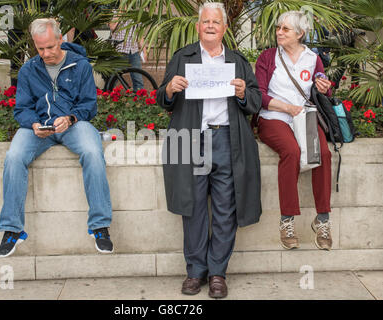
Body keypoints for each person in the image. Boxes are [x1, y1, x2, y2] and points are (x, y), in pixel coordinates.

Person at [157, 2, 262, 299]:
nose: (211, 26)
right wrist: (169, 89)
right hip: (191, 140)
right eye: (206, 22)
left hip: (228, 141)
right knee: (193, 209)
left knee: (226, 208)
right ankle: (195, 272)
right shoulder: (183, 57)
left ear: (225, 28)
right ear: (198, 26)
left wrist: (243, 93)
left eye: (216, 22)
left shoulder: (237, 61)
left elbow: (256, 101)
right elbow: (161, 99)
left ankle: (217, 273)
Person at [0, 18, 114, 258]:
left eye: (51, 46)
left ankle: (100, 226)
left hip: (74, 125)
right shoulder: (29, 69)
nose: (47, 53)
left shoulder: (79, 65)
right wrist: (34, 124)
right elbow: (22, 109)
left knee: (92, 152)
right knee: (14, 156)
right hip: (39, 128)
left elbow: (89, 106)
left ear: (60, 39)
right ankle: (12, 230)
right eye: (41, 49)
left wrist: (70, 118)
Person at [254, 11, 333, 251]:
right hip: (274, 115)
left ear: (300, 34)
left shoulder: (313, 58)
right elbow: (259, 95)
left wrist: (324, 86)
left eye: (286, 29)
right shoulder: (268, 57)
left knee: (325, 155)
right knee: (291, 151)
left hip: (303, 117)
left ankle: (322, 220)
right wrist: (287, 107)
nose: (279, 32)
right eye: (279, 27)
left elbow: (322, 90)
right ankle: (287, 220)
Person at [108, 11, 147, 92]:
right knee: (113, 79)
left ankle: (140, 101)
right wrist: (119, 14)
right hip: (119, 52)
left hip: (134, 51)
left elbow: (140, 35)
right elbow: (112, 27)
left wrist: (144, 51)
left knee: (138, 79)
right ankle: (109, 98)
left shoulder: (136, 14)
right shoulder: (114, 13)